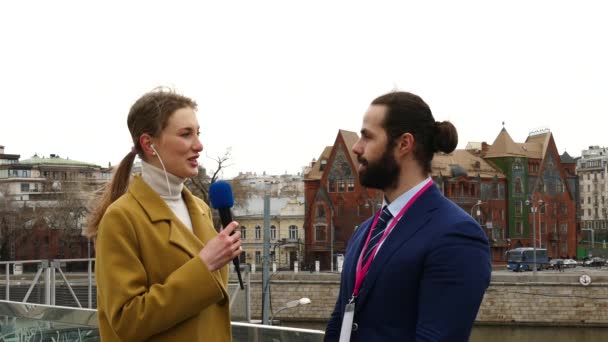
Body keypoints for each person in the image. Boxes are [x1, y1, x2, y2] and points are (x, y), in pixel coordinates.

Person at [325, 91, 491, 341]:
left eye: (367, 137)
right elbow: (340, 321)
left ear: (404, 144)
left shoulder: (456, 234)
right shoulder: (364, 232)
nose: (357, 148)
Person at [83, 89, 242, 341]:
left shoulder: (200, 208)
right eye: (185, 134)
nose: (199, 145)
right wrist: (204, 266)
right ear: (149, 144)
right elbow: (126, 320)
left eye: (198, 133)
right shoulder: (121, 218)